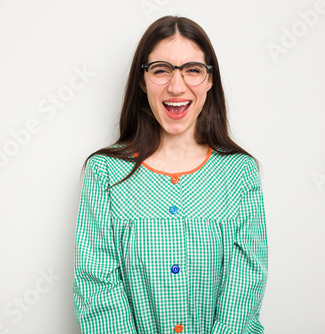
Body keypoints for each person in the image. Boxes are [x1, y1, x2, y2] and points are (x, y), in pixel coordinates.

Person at [73, 15, 268, 334]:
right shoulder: (105, 172)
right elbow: (96, 287)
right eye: (161, 70)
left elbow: (245, 288)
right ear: (142, 80)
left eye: (192, 70)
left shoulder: (240, 172)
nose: (177, 86)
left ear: (209, 79)